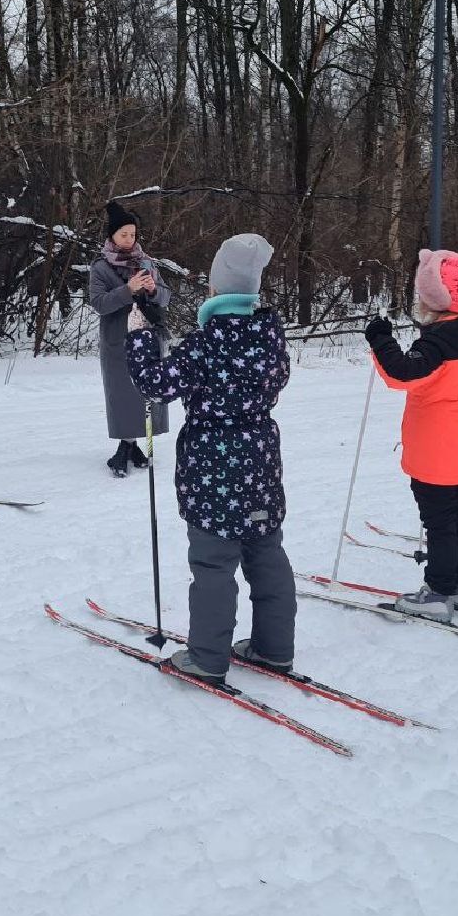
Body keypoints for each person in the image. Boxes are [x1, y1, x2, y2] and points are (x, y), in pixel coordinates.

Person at [124, 233, 294, 683]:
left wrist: (140, 338)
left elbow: (157, 385)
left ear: (216, 291)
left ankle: (207, 658)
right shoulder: (270, 340)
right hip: (259, 462)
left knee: (214, 564)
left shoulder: (205, 345)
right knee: (266, 553)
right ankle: (274, 648)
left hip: (213, 471)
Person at [363, 249, 458, 618]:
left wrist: (380, 339)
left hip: (436, 451)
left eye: (424, 294)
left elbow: (402, 373)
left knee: (440, 521)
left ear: (436, 297)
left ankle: (438, 590)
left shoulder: (441, 342)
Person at [89, 201, 172, 477]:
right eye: (123, 234)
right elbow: (99, 303)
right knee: (121, 393)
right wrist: (127, 290)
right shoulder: (100, 268)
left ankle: (133, 445)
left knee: (145, 390)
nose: (129, 239)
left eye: (132, 234)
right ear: (111, 235)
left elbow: (165, 296)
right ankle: (126, 446)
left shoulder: (146, 262)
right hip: (117, 340)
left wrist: (152, 290)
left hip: (148, 337)